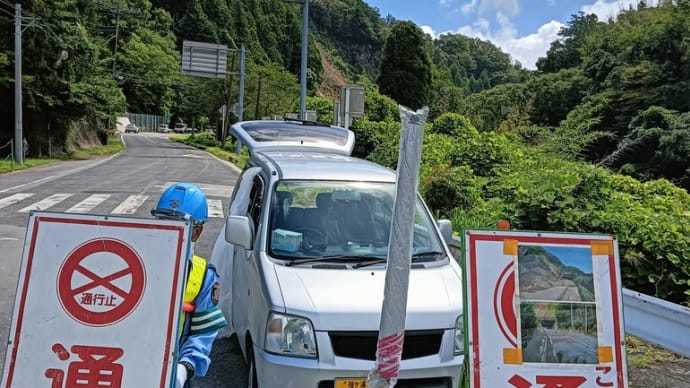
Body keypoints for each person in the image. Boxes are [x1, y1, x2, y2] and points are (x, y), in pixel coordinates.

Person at [151, 182, 227, 388]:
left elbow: (204, 332)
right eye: (162, 222)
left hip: (172, 372)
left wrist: (185, 367)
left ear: (196, 232)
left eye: (177, 225)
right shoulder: (136, 260)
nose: (167, 231)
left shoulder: (203, 276)